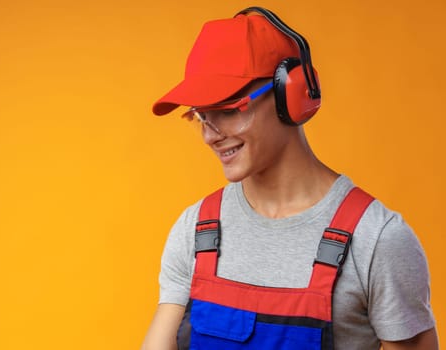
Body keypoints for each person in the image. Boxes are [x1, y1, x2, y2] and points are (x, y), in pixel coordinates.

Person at [142, 7, 438, 350]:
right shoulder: (195, 229)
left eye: (227, 110)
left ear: (291, 95)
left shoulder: (377, 241)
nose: (211, 135)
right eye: (200, 115)